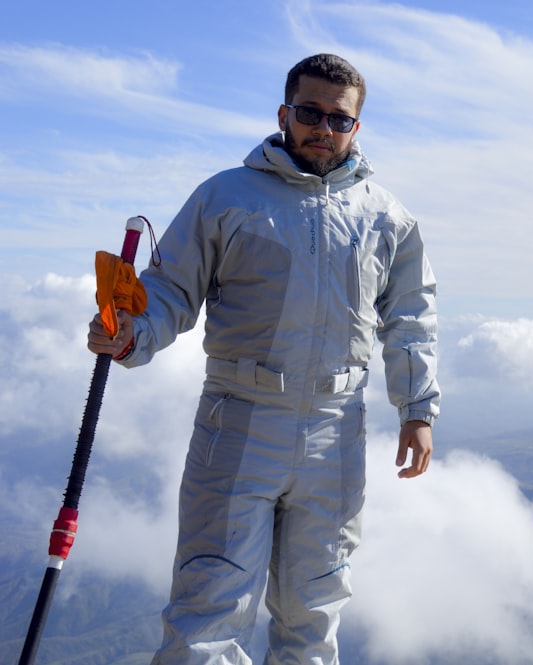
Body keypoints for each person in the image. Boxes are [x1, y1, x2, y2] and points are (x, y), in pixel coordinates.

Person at [87, 53, 440, 664]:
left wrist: (418, 408)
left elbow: (411, 314)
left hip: (337, 429)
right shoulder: (226, 196)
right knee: (208, 611)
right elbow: (172, 288)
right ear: (284, 113)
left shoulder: (387, 216)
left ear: (357, 127)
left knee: (314, 614)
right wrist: (132, 335)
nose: (323, 129)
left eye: (340, 119)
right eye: (310, 113)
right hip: (241, 418)